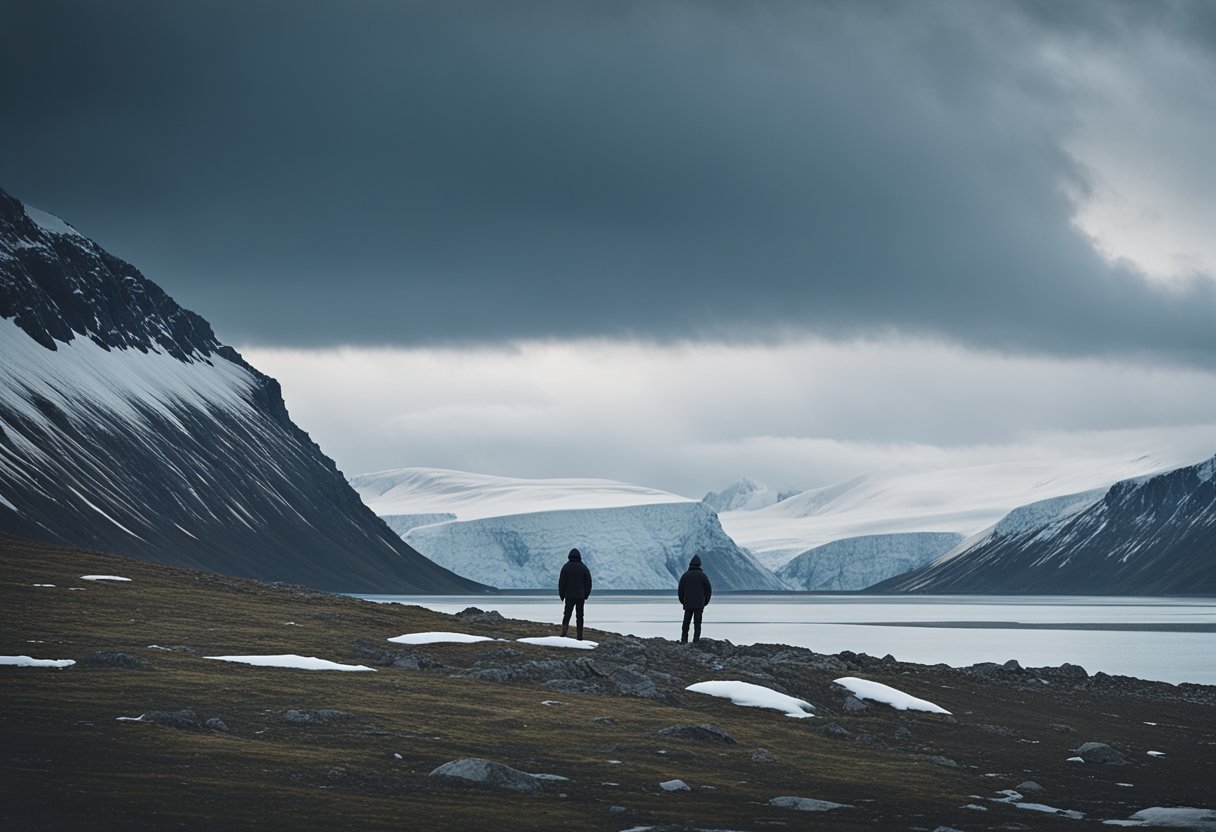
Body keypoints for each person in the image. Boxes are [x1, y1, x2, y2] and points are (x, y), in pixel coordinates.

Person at [558, 547, 592, 640]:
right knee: (580, 616)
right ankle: (579, 636)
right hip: (580, 596)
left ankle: (564, 633)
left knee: (567, 615)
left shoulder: (566, 567)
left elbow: (561, 583)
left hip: (569, 596)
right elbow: (588, 582)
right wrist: (586, 595)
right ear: (579, 557)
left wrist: (562, 595)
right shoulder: (584, 567)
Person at [677, 553, 713, 643]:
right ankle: (696, 642)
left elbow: (680, 590)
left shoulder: (685, 575)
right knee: (697, 625)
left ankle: (683, 640)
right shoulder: (703, 576)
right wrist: (705, 602)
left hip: (688, 604)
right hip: (699, 604)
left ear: (690, 565)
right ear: (699, 565)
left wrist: (683, 601)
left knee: (686, 623)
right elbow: (708, 590)